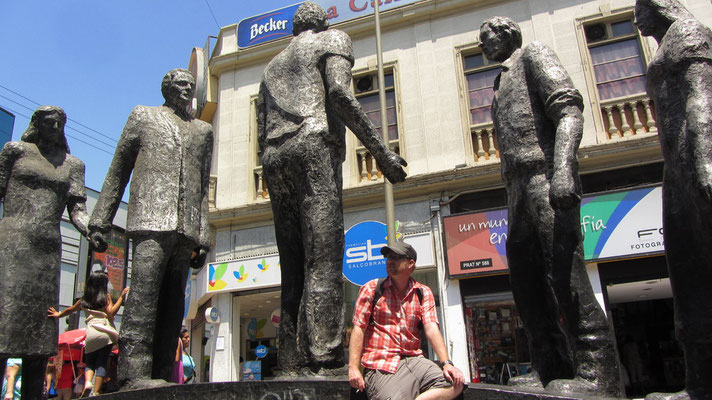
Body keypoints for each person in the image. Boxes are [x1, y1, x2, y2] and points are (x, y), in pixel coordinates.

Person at [257, 2, 407, 376]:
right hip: (312, 145)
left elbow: (261, 127)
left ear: (294, 28)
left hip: (274, 156)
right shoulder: (333, 39)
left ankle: (290, 361)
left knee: (292, 264)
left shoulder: (271, 66)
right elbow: (339, 95)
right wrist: (382, 153)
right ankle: (324, 358)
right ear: (322, 22)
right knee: (323, 254)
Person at [479, 17, 621, 396]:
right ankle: (549, 363)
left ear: (506, 33)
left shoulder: (534, 56)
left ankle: (598, 371)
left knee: (565, 274)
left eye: (486, 38)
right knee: (526, 281)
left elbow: (569, 111)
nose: (483, 47)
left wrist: (563, 170)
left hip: (544, 175)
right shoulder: (500, 81)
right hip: (516, 187)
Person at [87, 68, 213, 389]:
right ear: (166, 89)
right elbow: (119, 169)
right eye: (180, 85)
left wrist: (204, 235)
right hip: (150, 219)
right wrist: (101, 218)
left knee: (173, 307)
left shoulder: (202, 131)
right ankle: (134, 374)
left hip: (185, 231)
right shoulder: (143, 117)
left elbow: (201, 190)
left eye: (190, 85)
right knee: (143, 297)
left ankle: (159, 375)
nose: (186, 90)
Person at [634, 1, 712, 399]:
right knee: (687, 272)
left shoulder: (687, 34)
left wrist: (703, 163)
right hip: (676, 162)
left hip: (695, 156)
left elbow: (701, 100)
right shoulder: (667, 44)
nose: (636, 19)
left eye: (640, 9)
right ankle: (700, 382)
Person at [0, 106, 92, 400]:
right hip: (11, 243)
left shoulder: (72, 165)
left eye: (60, 122)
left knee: (40, 335)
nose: (54, 125)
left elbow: (78, 210)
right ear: (35, 124)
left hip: (46, 249)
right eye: (48, 121)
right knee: (5, 324)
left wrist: (94, 231)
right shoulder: (15, 151)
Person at [348, 242, 465, 400]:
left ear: (411, 264)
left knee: (456, 383)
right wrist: (353, 368)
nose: (390, 261)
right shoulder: (371, 289)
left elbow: (431, 329)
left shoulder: (423, 292)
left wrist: (447, 363)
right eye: (388, 257)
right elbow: (358, 328)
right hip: (382, 364)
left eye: (396, 257)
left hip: (415, 360)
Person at [48, 272, 130, 396]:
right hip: (105, 333)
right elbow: (111, 313)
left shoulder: (84, 299)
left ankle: (87, 383)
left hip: (91, 332)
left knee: (90, 362)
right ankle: (96, 392)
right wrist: (121, 297)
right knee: (101, 363)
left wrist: (58, 314)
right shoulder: (105, 297)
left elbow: (71, 309)